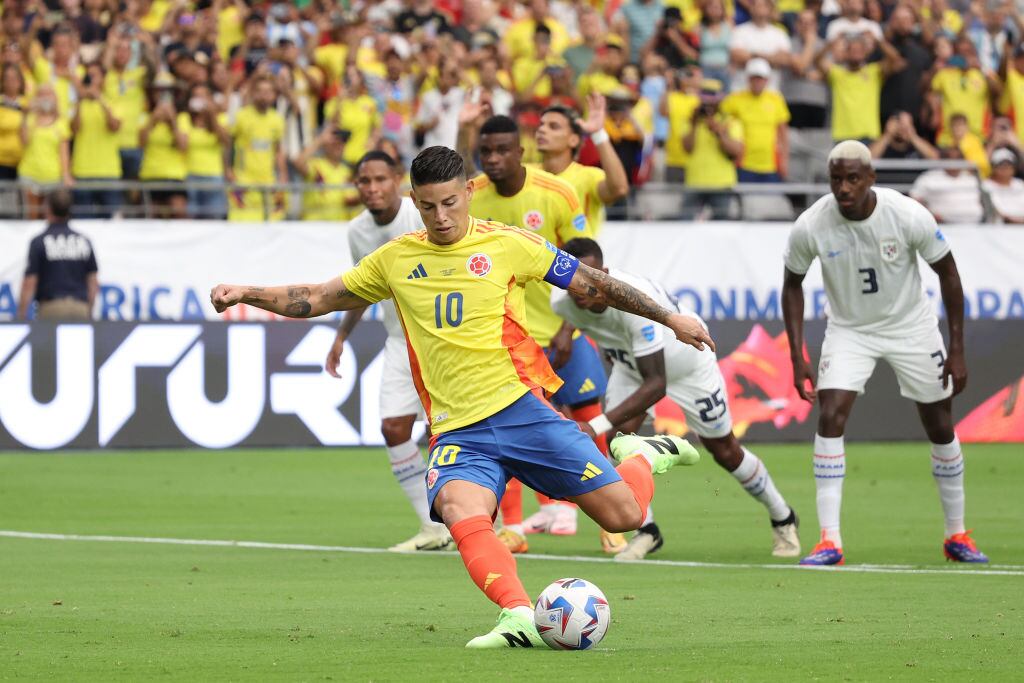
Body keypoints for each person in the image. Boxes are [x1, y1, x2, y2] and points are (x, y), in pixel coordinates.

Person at [211, 145, 714, 648]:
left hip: (521, 410)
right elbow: (317, 298)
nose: (441, 217)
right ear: (414, 200)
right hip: (458, 430)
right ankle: (517, 615)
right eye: (428, 207)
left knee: (623, 516)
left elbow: (594, 283)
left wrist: (670, 318)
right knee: (459, 510)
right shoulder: (395, 259)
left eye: (450, 203)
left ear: (469, 192)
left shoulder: (510, 245)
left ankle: (642, 454)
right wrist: (246, 292)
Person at [782, 140, 988, 566]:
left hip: (911, 327)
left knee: (939, 424)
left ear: (871, 178)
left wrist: (957, 349)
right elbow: (792, 285)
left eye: (853, 178)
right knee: (830, 413)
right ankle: (829, 541)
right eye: (836, 178)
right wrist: (796, 353)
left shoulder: (908, 213)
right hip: (849, 329)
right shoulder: (811, 224)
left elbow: (949, 274)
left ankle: (957, 534)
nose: (843, 187)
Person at [553, 237, 801, 560]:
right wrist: (566, 329)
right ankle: (647, 531)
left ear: (606, 272)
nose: (584, 288)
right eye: (576, 280)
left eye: (593, 278)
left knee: (724, 451)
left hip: (688, 365)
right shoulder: (563, 304)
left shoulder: (632, 305)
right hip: (633, 366)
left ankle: (783, 516)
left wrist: (595, 423)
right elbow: (589, 317)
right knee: (615, 442)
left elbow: (656, 384)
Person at [458, 114, 615, 553]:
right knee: (502, 425)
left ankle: (609, 514)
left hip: (563, 326)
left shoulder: (558, 193)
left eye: (501, 150)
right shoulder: (473, 196)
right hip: (505, 337)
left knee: (589, 417)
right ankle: (511, 528)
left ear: (520, 151)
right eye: (484, 151)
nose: (492, 159)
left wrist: (571, 325)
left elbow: (587, 266)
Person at [323, 150, 452, 552]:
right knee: (394, 428)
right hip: (400, 339)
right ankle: (432, 528)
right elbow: (362, 286)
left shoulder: (421, 215)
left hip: (444, 338)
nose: (373, 188)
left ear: (399, 180)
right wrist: (342, 334)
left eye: (381, 179)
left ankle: (476, 520)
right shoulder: (357, 231)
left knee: (449, 431)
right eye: (365, 181)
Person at [535, 95, 630, 235]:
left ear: (573, 140)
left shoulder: (588, 176)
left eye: (553, 127)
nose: (542, 130)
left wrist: (598, 133)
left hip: (577, 256)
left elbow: (619, 189)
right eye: (541, 125)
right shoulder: (525, 173)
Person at [17, 189, 98, 321]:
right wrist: (88, 310)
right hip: (80, 307)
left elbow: (29, 283)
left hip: (51, 308)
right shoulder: (84, 241)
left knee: (47, 342)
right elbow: (93, 283)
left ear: (47, 209)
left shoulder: (39, 242)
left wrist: (21, 314)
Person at [817, 34, 906, 143]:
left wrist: (878, 41)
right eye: (852, 50)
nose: (856, 53)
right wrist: (831, 43)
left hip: (868, 134)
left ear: (865, 53)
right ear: (846, 53)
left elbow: (895, 60)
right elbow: (817, 61)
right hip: (842, 135)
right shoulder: (837, 74)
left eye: (859, 50)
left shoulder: (873, 72)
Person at [681, 79, 743, 219]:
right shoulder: (691, 120)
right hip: (694, 182)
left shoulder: (730, 121)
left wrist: (719, 133)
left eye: (711, 100)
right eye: (705, 100)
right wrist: (694, 124)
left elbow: (736, 151)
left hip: (721, 184)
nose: (708, 104)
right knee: (684, 229)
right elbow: (687, 148)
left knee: (722, 231)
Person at [721, 58, 791, 182]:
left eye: (761, 78)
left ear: (767, 80)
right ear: (748, 79)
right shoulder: (735, 100)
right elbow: (722, 124)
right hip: (743, 164)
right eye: (755, 78)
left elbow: (783, 133)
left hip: (770, 165)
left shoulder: (776, 100)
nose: (758, 82)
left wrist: (784, 161)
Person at [71, 62, 123, 219]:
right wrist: (80, 100)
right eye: (88, 75)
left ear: (103, 80)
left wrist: (100, 99)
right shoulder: (77, 104)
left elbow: (114, 126)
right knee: (83, 222)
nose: (90, 79)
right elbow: (74, 129)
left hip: (109, 172)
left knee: (112, 225)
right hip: (82, 171)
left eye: (95, 75)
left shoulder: (113, 101)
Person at [909, 147, 984, 224]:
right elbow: (914, 200)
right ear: (942, 159)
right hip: (942, 227)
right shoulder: (929, 177)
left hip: (975, 226)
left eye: (957, 158)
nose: (953, 162)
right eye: (949, 157)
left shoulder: (971, 179)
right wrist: (930, 215)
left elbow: (984, 201)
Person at [294, 126, 352, 222]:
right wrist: (320, 140)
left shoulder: (347, 171)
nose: (339, 145)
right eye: (334, 142)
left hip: (338, 227)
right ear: (326, 145)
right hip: (314, 226)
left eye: (342, 142)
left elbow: (350, 201)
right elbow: (298, 162)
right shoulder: (315, 164)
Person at [981, 148, 1024, 224]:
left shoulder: (1019, 184)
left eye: (1009, 165)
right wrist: (1013, 220)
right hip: (1000, 227)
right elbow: (994, 211)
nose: (1005, 168)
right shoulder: (986, 185)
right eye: (1001, 165)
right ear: (993, 167)